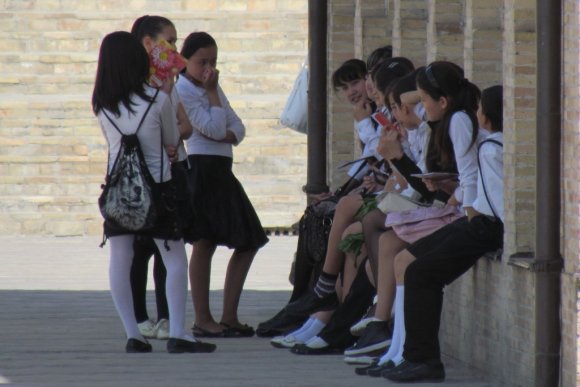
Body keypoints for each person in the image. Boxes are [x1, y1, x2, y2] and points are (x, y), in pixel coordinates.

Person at [356, 61, 482, 377]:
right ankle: (397, 347)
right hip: (454, 208)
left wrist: (398, 158)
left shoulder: (456, 121)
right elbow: (454, 179)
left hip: (465, 214)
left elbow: (469, 178)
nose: (412, 108)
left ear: (442, 101)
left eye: (421, 100)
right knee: (393, 249)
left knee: (403, 257)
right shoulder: (440, 120)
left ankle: (402, 348)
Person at [92, 31, 215, 353]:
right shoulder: (157, 99)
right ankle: (177, 332)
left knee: (120, 258)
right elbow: (172, 140)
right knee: (173, 258)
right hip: (159, 189)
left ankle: (133, 334)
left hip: (119, 192)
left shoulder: (102, 107)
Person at [383, 85, 504, 383]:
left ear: (487, 117)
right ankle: (410, 355)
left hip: (485, 226)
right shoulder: (491, 142)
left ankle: (422, 360)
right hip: (475, 221)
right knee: (411, 262)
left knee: (422, 274)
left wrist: (472, 210)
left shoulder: (491, 148)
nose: (475, 115)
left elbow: (497, 199)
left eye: (480, 110)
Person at [175, 31, 269, 338]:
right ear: (185, 61)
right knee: (205, 241)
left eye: (214, 61)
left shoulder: (212, 86)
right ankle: (203, 318)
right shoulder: (185, 90)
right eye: (203, 61)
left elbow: (237, 126)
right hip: (203, 169)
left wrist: (226, 130)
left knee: (249, 239)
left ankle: (229, 316)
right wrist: (213, 97)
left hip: (221, 168)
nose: (209, 69)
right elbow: (214, 127)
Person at [128, 14, 194, 341]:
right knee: (140, 249)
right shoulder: (133, 87)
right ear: (149, 44)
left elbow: (184, 127)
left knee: (167, 249)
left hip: (173, 170)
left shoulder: (169, 84)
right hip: (144, 176)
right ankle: (139, 318)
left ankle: (168, 318)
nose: (175, 48)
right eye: (170, 40)